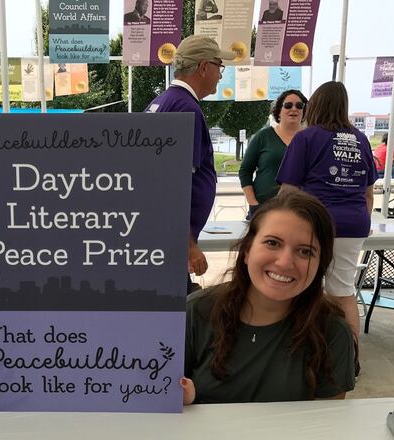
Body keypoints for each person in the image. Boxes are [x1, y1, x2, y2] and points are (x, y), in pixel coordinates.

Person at [181, 191, 355, 404]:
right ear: (247, 250)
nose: (284, 262)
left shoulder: (332, 333)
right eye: (273, 243)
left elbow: (327, 419)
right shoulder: (195, 313)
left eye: (305, 251)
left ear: (321, 265)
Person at [276, 81, 377, 340]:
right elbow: (368, 194)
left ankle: (302, 348)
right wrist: (361, 221)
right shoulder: (361, 139)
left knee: (302, 288)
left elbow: (288, 191)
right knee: (343, 292)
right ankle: (350, 354)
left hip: (315, 222)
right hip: (354, 224)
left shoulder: (306, 137)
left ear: (316, 105)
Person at [144, 35, 235, 292]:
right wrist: (189, 246)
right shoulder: (186, 109)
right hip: (171, 240)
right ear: (204, 67)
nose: (220, 75)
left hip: (160, 234)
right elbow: (173, 186)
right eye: (219, 67)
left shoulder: (162, 101)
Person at [239, 89, 307, 220]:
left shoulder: (309, 139)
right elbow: (245, 171)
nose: (294, 109)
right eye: (288, 105)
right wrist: (253, 204)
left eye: (299, 105)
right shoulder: (263, 136)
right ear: (278, 111)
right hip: (263, 209)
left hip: (298, 212)